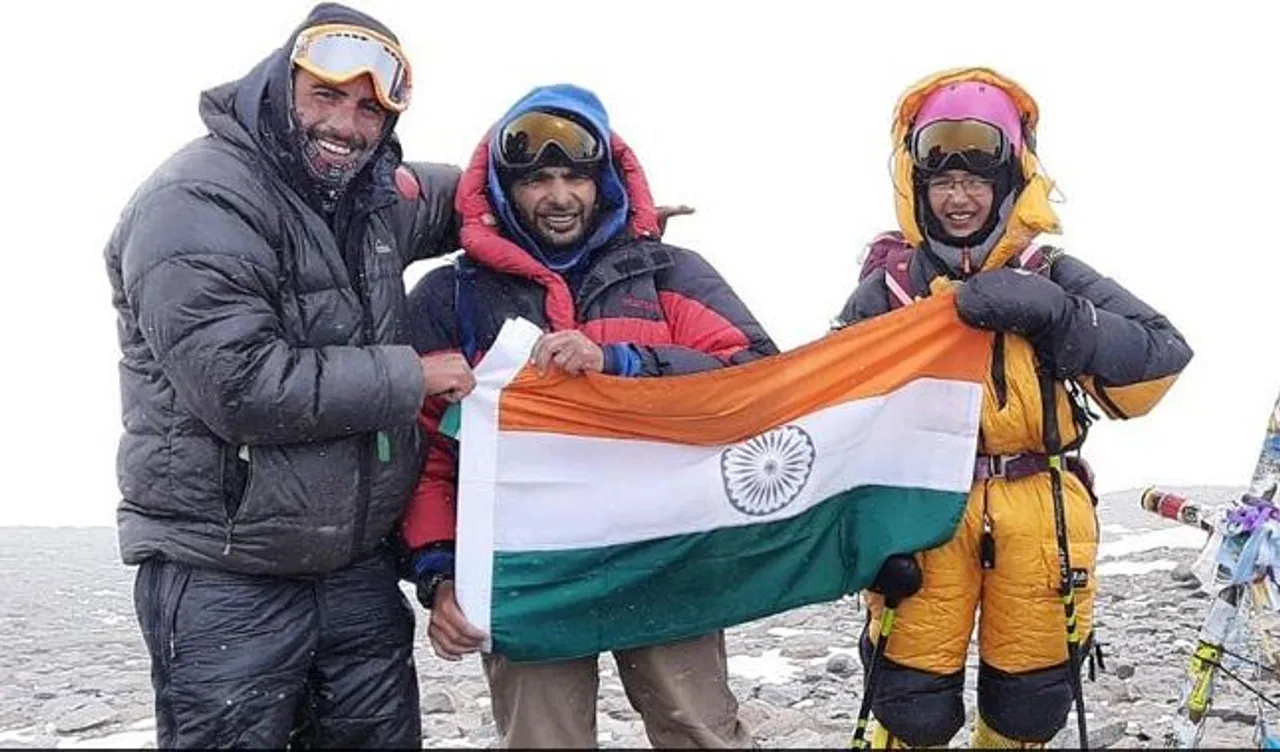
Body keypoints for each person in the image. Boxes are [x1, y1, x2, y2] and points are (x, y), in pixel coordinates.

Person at [103, 3, 476, 747]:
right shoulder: (198, 200)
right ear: (282, 86)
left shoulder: (369, 194)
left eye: (371, 108)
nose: (347, 124)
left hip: (355, 570)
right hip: (225, 572)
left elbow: (476, 194)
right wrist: (410, 376)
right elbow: (240, 387)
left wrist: (603, 206)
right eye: (327, 96)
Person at [401, 83, 776, 748]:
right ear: (501, 191)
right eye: (538, 179)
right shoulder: (447, 298)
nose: (560, 196)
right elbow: (425, 455)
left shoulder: (670, 276)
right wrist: (437, 575)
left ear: (604, 181)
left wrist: (622, 363)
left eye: (576, 175)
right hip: (526, 572)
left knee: (701, 735)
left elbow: (756, 378)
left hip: (665, 556)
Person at [833, 67, 1193, 748]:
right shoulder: (886, 289)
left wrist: (1063, 319)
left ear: (1008, 184)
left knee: (1031, 700)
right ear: (918, 186)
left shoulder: (1051, 275)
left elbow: (1159, 361)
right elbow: (832, 417)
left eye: (976, 181)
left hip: (1041, 508)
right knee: (908, 699)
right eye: (943, 181)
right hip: (919, 513)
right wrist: (865, 537)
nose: (959, 198)